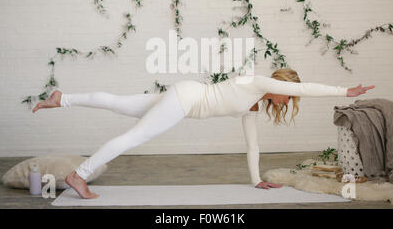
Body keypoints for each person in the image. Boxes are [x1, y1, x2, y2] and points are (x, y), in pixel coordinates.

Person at [32, 68, 375, 199]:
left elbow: (252, 145)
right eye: (291, 94)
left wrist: (256, 179)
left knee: (120, 104)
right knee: (135, 137)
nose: (290, 100)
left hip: (183, 96)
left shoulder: (254, 104)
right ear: (281, 86)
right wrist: (345, 91)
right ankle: (80, 174)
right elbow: (311, 88)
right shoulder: (259, 82)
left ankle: (63, 99)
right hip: (185, 99)